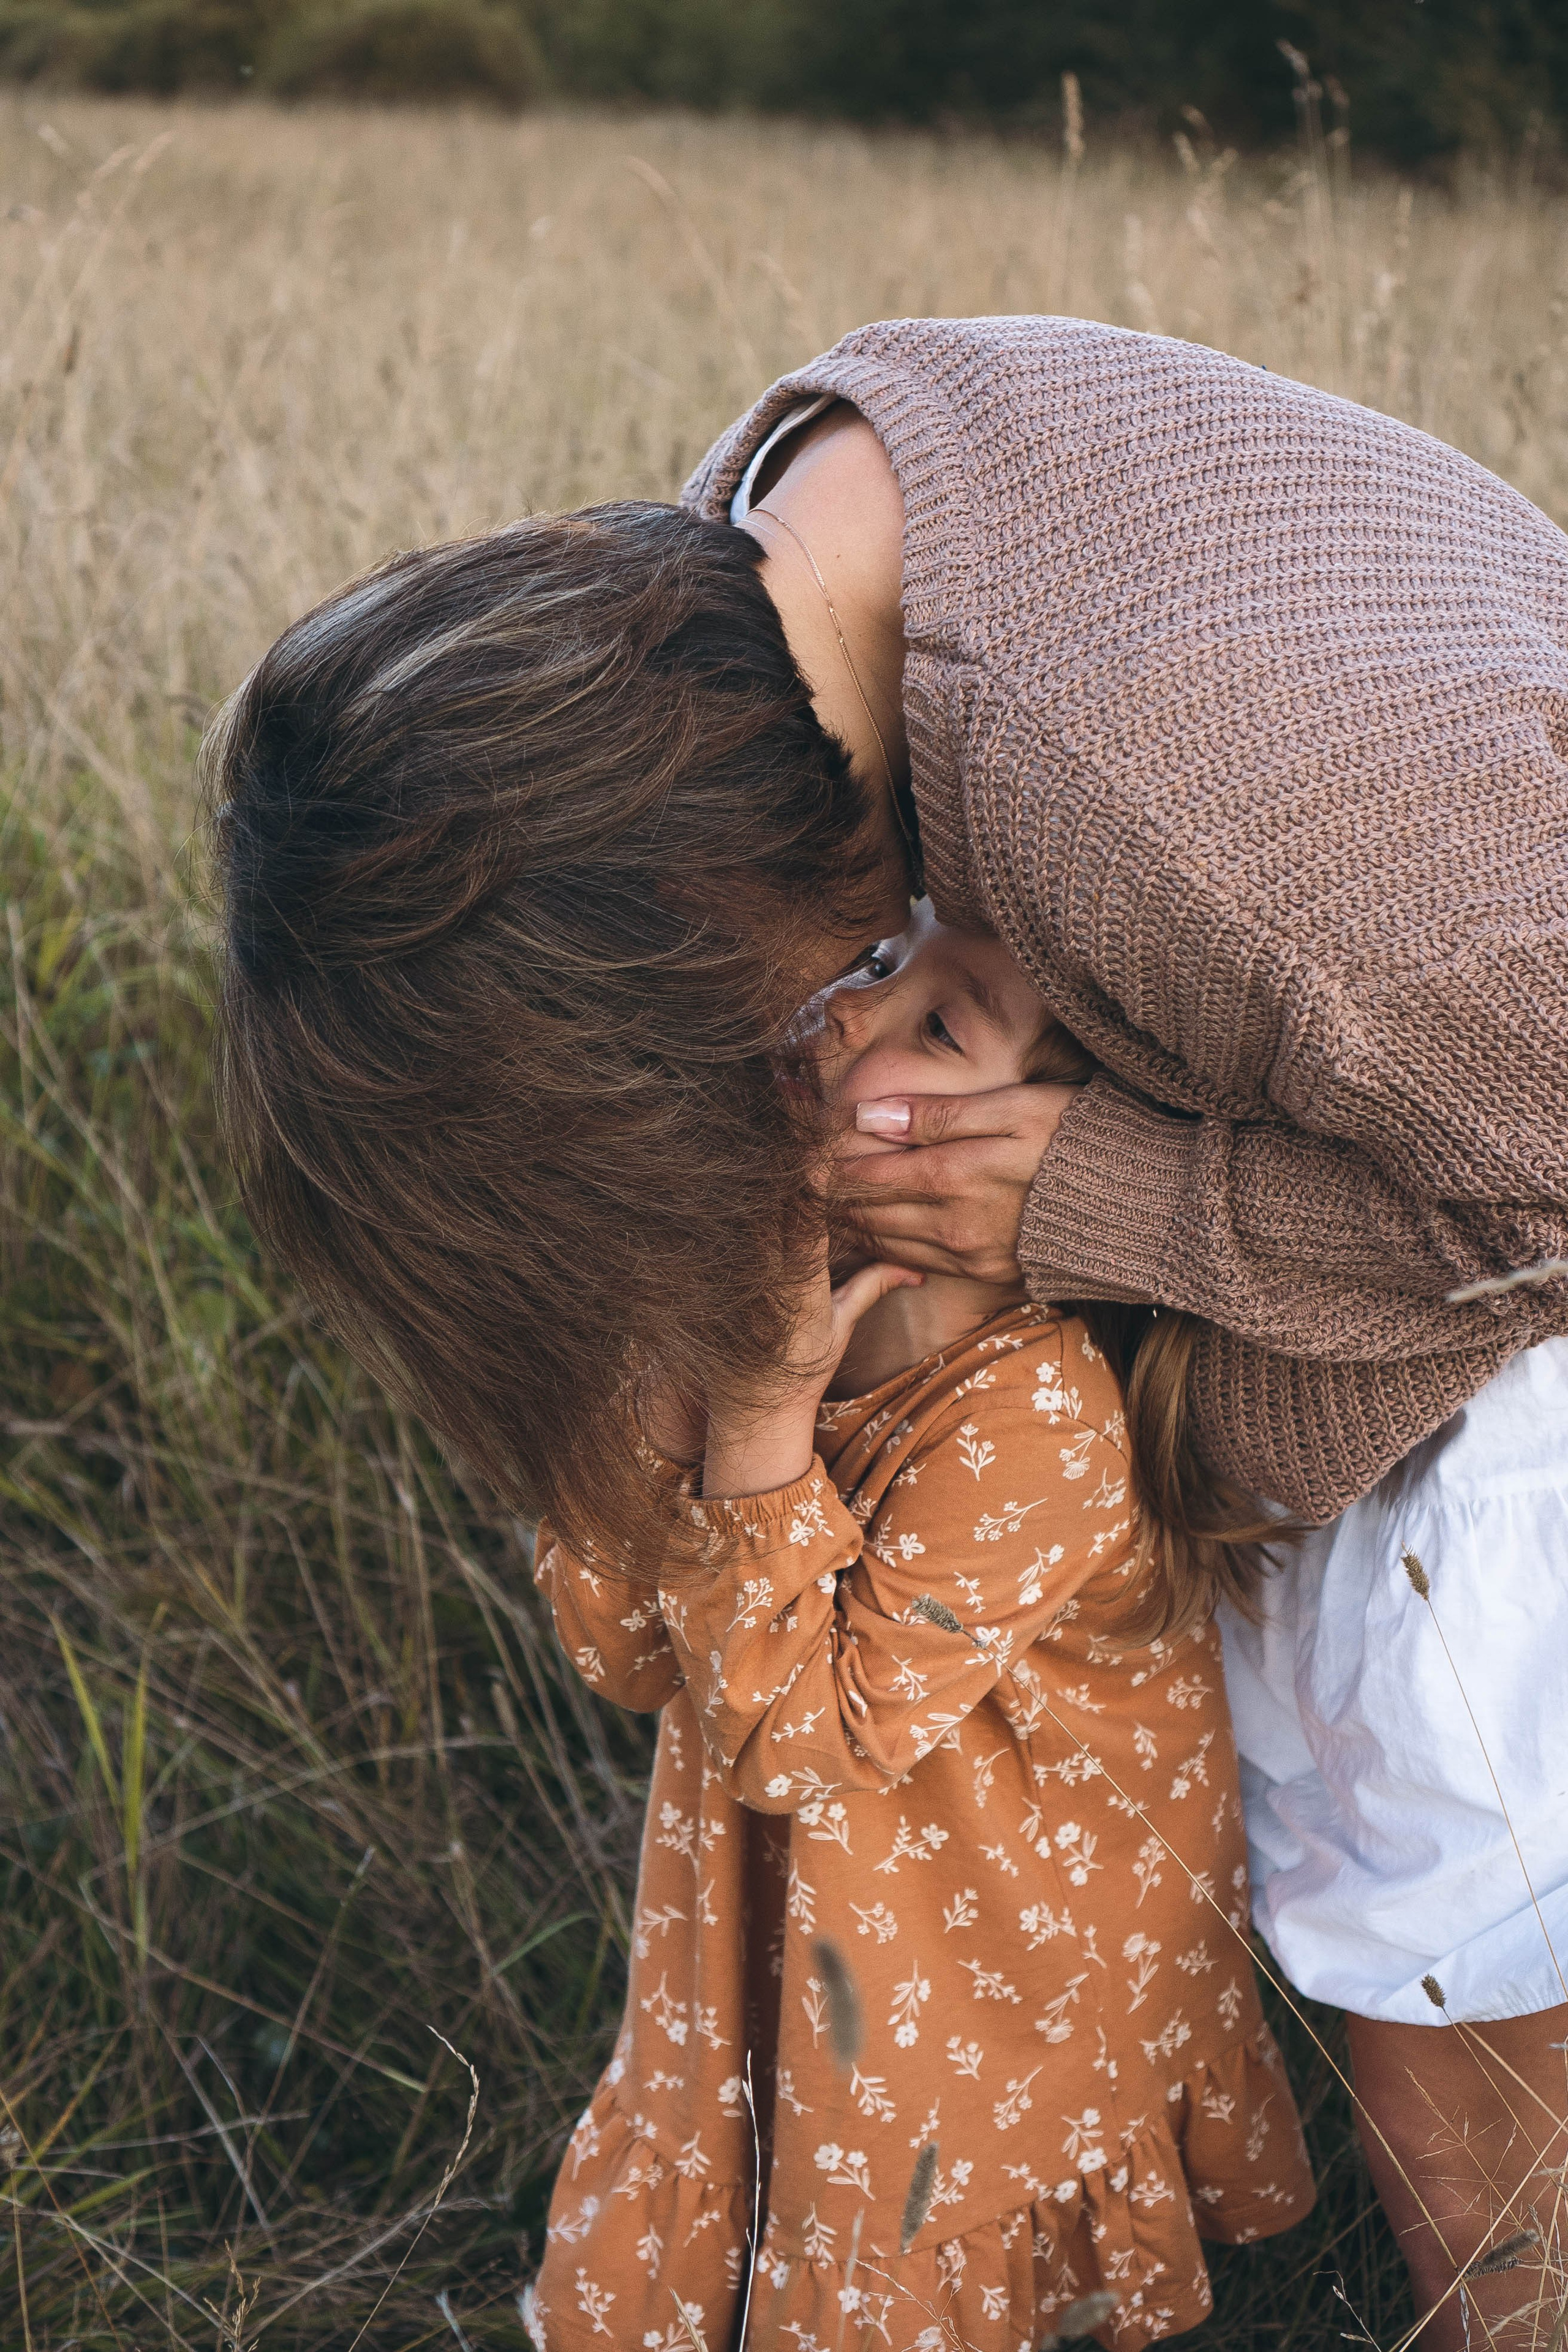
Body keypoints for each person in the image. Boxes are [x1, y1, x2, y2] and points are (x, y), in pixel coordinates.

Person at [206, 317, 1568, 2342]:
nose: (829, 1067)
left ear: (688, 941)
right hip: (1372, 1159)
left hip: (1499, 1294)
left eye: (750, 1048)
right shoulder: (759, 578)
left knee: (1450, 2027)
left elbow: (1538, 1166)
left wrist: (1091, 1198)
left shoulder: (1174, 808)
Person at [523, 902, 1315, 2352]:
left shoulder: (1037, 1415)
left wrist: (756, 1416)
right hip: (776, 1963)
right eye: (878, 966)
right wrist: (697, 1360)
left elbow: (788, 1737)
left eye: (936, 1024)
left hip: (976, 2006)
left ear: (1042, 1153)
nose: (845, 1007)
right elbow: (619, 1652)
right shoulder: (762, 1291)